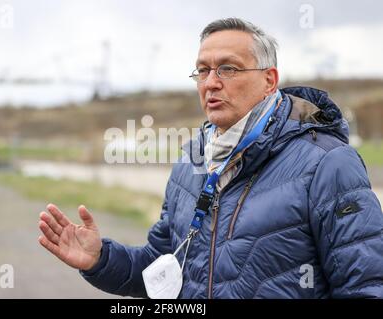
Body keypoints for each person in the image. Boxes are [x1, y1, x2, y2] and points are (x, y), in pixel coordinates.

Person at [38, 18, 383, 298]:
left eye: (228, 69)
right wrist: (100, 259)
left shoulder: (328, 163)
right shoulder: (191, 161)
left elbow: (367, 286)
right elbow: (162, 269)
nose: (211, 83)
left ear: (269, 80)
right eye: (202, 71)